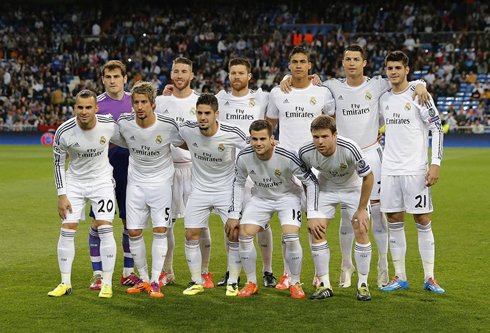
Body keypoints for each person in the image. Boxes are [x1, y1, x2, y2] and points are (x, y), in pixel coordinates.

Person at [281, 44, 429, 289]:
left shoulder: (378, 84)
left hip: (370, 154)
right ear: (342, 62)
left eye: (356, 59)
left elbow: (404, 79)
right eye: (347, 59)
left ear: (364, 63)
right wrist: (287, 77)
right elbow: (306, 83)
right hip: (341, 155)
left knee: (377, 216)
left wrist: (421, 82)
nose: (351, 63)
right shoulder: (331, 86)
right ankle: (346, 266)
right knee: (345, 219)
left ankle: (382, 266)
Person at [266, 45, 335, 289]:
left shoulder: (322, 92)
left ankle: (319, 275)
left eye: (302, 61)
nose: (298, 65)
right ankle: (287, 274)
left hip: (316, 167)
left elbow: (333, 123)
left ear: (309, 66)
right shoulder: (277, 92)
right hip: (287, 166)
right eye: (294, 61)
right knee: (289, 224)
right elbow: (269, 123)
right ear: (289, 66)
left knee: (316, 222)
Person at [230, 120, 321, 299]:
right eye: (254, 139)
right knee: (244, 234)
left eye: (263, 139)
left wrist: (312, 213)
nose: (258, 143)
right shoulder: (244, 156)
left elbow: (311, 181)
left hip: (287, 197)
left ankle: (295, 282)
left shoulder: (287, 155)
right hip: (261, 198)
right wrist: (234, 214)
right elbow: (238, 183)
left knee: (290, 235)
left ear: (272, 139)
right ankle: (252, 283)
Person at [379, 51, 445, 294]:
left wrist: (435, 163)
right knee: (394, 221)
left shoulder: (420, 95)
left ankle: (430, 277)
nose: (393, 71)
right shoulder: (383, 98)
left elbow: (437, 128)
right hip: (389, 170)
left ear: (407, 70)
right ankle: (400, 277)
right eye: (390, 68)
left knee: (422, 220)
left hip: (416, 170)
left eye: (398, 67)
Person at [116, 82, 184, 298]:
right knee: (134, 231)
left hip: (161, 184)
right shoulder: (124, 123)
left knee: (160, 230)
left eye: (144, 102)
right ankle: (144, 279)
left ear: (153, 103)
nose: (140, 106)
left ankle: (155, 280)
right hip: (135, 183)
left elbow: (188, 143)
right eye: (136, 102)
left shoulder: (168, 125)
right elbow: (111, 139)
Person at [48, 90, 119, 298]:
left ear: (96, 108)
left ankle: (107, 282)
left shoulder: (108, 124)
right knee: (67, 230)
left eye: (89, 107)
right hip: (75, 183)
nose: (84, 111)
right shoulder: (64, 131)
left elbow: (125, 139)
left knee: (105, 229)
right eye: (80, 107)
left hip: (102, 182)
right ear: (74, 108)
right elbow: (58, 164)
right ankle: (65, 283)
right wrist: (62, 195)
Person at [299, 115, 374, 301]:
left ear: (335, 135)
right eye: (316, 137)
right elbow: (305, 178)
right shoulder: (305, 152)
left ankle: (363, 285)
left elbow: (369, 176)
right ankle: (324, 284)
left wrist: (362, 208)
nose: (319, 141)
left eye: (324, 136)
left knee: (361, 228)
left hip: (353, 188)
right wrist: (311, 207)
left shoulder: (350, 148)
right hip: (326, 188)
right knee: (317, 231)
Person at [215, 57, 276, 288]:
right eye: (233, 73)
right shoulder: (220, 99)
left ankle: (268, 271)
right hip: (228, 170)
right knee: (231, 221)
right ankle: (233, 272)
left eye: (241, 73)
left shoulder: (261, 97)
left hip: (257, 169)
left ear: (249, 76)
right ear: (228, 76)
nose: (236, 77)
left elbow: (279, 102)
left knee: (263, 223)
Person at [179, 93, 248, 296]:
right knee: (191, 234)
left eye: (207, 113)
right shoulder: (188, 131)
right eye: (199, 113)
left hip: (226, 189)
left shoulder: (232, 132)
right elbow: (170, 136)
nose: (202, 117)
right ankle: (196, 281)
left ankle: (233, 281)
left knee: (235, 234)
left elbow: (253, 147)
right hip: (199, 190)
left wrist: (271, 144)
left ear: (216, 114)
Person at [154, 57, 214, 289]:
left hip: (194, 170)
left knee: (201, 225)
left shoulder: (200, 101)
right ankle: (167, 271)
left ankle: (205, 272)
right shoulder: (160, 101)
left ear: (192, 75)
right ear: (171, 74)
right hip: (166, 170)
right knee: (166, 224)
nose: (180, 75)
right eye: (176, 71)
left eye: (184, 72)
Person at [89, 60, 136, 290]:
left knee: (130, 221)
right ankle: (98, 274)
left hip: (130, 169)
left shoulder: (134, 102)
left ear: (125, 78)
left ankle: (128, 272)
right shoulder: (94, 104)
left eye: (117, 76)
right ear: (103, 79)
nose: (112, 81)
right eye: (108, 77)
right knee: (99, 222)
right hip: (102, 172)